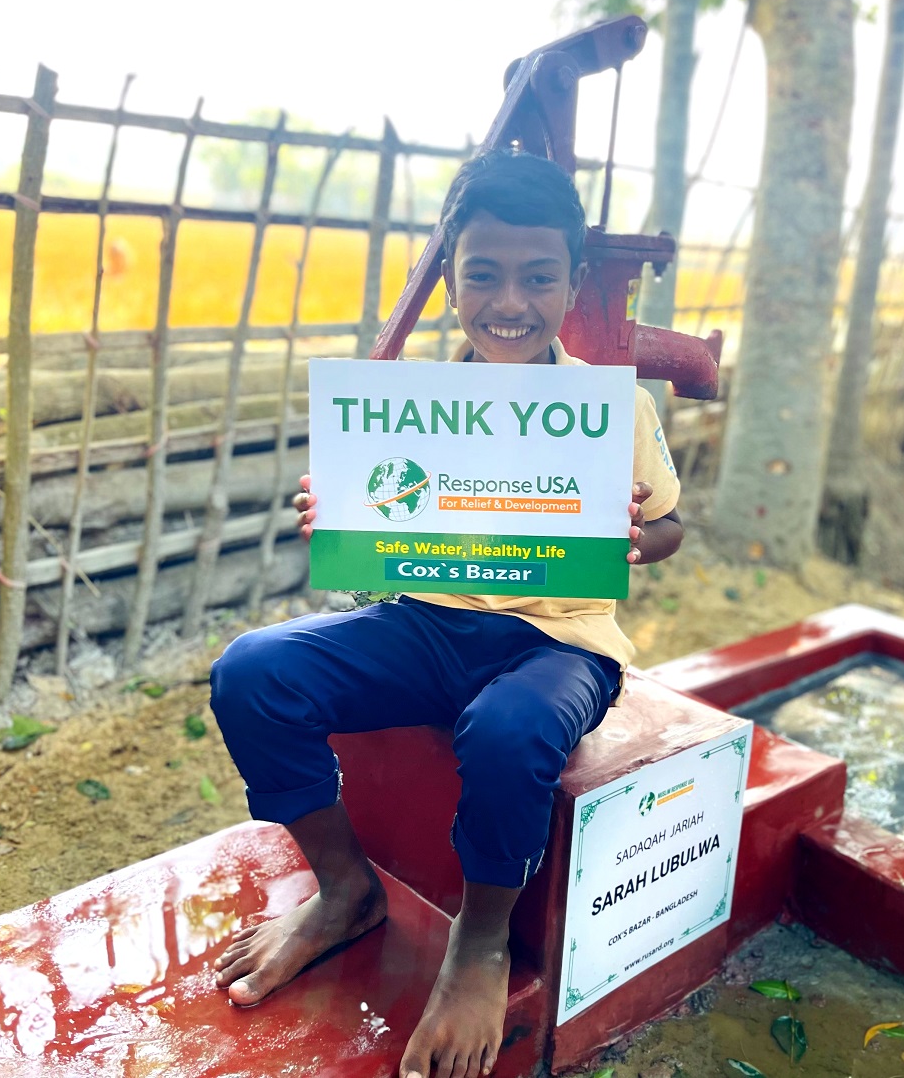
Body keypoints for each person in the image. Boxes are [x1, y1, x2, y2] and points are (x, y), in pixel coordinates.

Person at [208, 149, 684, 1078]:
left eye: (538, 277)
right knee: (252, 673)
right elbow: (374, 523)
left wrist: (634, 534)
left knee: (509, 729)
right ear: (452, 279)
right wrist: (339, 517)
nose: (510, 300)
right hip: (426, 623)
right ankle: (345, 889)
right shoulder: (405, 407)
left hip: (560, 641)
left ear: (573, 282)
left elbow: (671, 525)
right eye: (484, 274)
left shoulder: (612, 407)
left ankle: (481, 938)